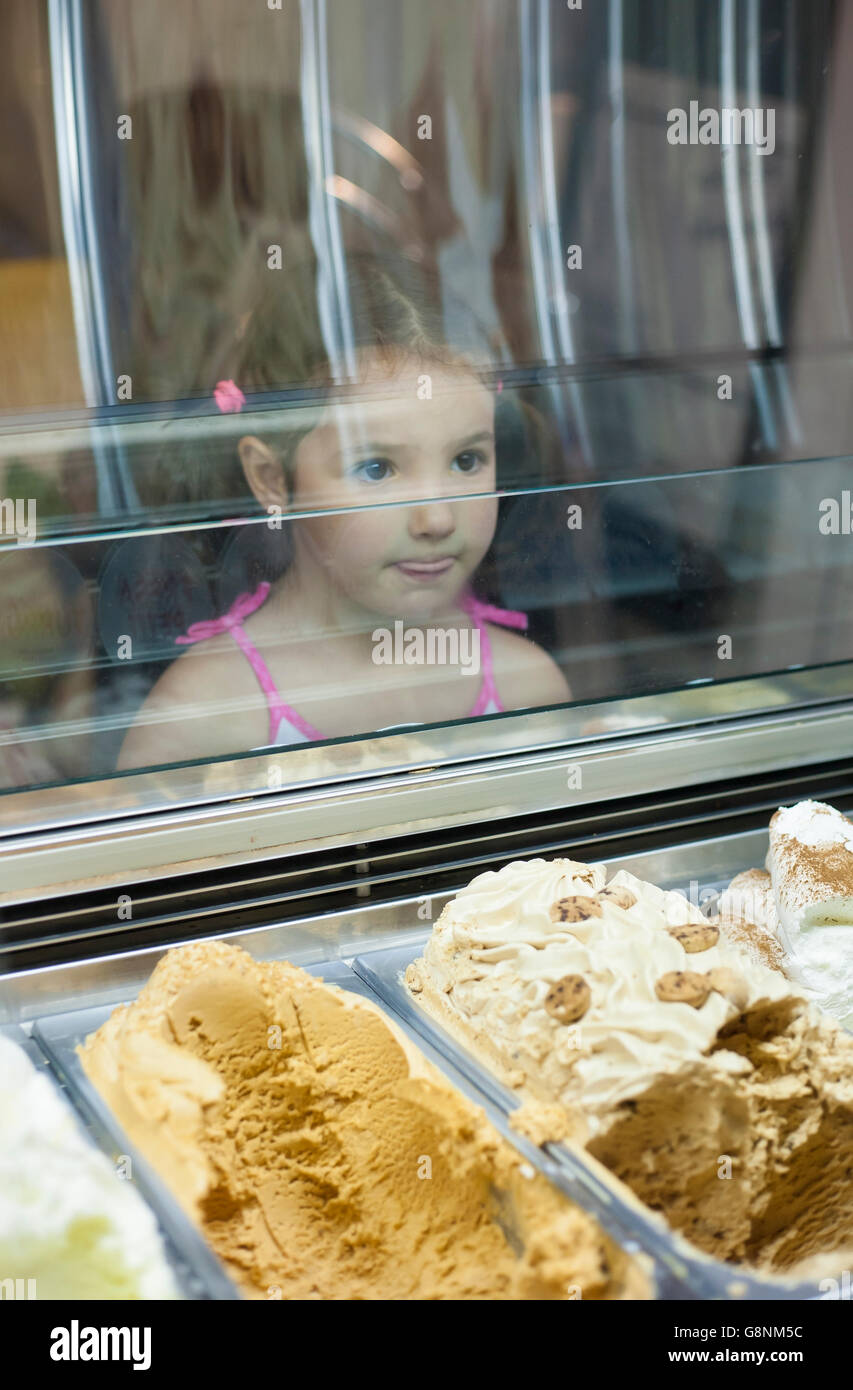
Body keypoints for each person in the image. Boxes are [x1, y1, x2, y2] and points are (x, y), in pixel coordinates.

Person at [116, 260, 570, 770]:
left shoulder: (525, 686)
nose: (437, 520)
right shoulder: (204, 717)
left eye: (467, 461)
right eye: (376, 468)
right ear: (271, 478)